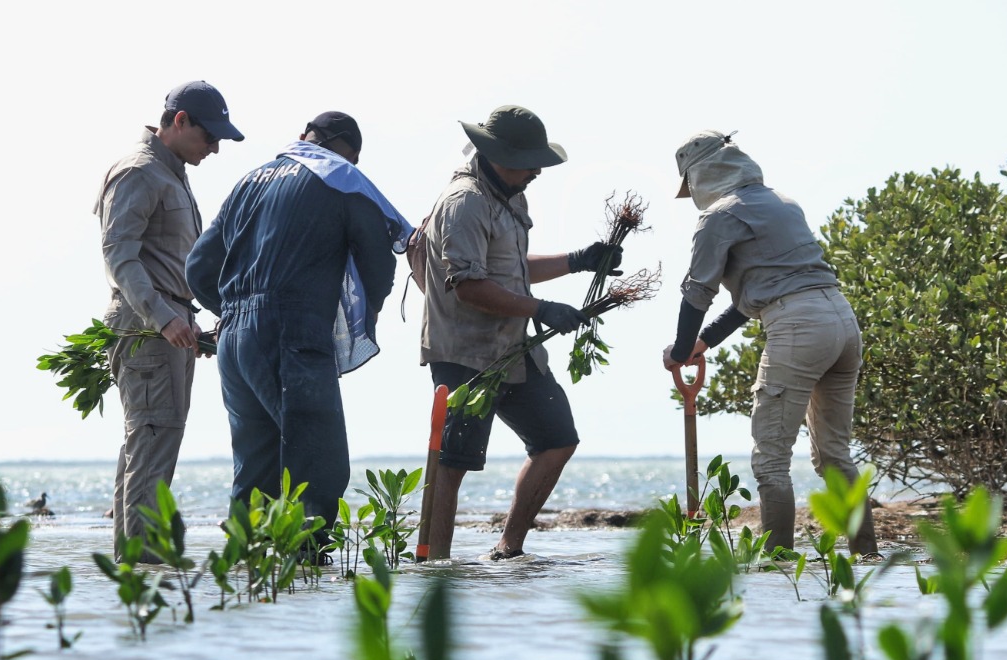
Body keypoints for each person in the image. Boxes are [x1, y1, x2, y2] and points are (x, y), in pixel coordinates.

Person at [186, 111, 408, 538]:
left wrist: (229, 313)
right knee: (318, 467)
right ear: (348, 151)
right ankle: (309, 568)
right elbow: (378, 260)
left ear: (305, 136)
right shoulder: (340, 177)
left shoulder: (249, 182)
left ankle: (248, 568)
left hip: (234, 346)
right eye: (352, 158)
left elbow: (197, 268)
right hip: (292, 335)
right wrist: (372, 309)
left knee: (257, 473)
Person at [417, 105, 621, 561]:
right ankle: (435, 568)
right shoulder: (465, 202)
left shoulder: (511, 196)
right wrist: (542, 309)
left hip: (514, 348)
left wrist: (579, 260)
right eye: (530, 163)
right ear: (500, 156)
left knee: (557, 439)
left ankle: (508, 550)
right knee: (453, 463)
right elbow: (469, 286)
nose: (536, 172)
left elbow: (510, 271)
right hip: (466, 352)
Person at [662, 130, 878, 555]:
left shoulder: (718, 217)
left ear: (699, 177)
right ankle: (867, 555)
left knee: (771, 460)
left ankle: (778, 565)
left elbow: (698, 292)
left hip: (798, 327)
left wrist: (680, 348)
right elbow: (759, 294)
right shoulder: (783, 202)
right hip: (841, 320)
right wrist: (704, 342)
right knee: (834, 454)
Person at [97, 80, 243, 558]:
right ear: (180, 121)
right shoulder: (138, 172)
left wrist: (185, 320)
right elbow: (119, 256)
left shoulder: (170, 172)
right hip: (146, 328)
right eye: (209, 136)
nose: (214, 148)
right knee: (152, 444)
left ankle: (134, 567)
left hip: (167, 325)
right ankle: (141, 570)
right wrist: (163, 317)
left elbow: (165, 262)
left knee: (149, 445)